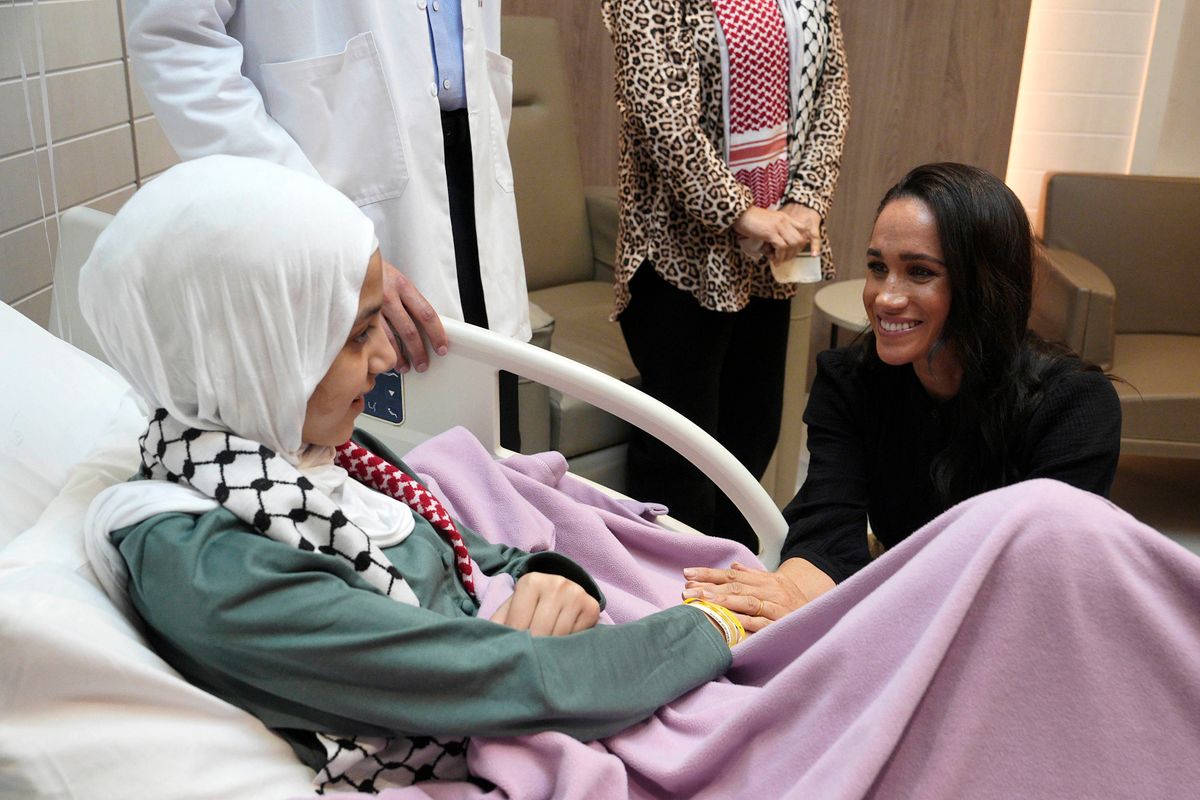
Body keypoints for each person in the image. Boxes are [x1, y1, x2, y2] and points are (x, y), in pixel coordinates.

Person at [80, 157, 1200, 798]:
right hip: (591, 683)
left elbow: (493, 554)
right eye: (357, 331)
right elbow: (506, 673)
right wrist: (719, 615)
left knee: (1049, 539)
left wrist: (560, 568)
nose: (387, 362)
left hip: (596, 649)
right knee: (1032, 541)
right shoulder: (209, 557)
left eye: (923, 274)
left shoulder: (293, 463)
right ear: (248, 344)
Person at [683, 162, 1123, 631]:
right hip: (911, 606)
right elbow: (829, 521)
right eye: (878, 268)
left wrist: (865, 615)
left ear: (984, 284)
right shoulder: (850, 382)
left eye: (919, 272)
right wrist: (791, 593)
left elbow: (1034, 587)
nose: (885, 297)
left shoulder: (1074, 408)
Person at [123, 0, 527, 448]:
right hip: (322, 188)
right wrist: (328, 235)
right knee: (379, 467)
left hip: (471, 173)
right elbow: (175, 42)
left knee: (493, 460)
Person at [600, 0, 850, 549]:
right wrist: (738, 211)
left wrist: (807, 203)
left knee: (754, 437)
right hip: (681, 253)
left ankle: (727, 591)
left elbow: (832, 93)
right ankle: (664, 601)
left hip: (770, 252)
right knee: (680, 458)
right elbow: (659, 111)